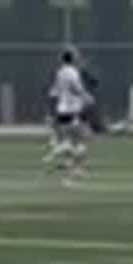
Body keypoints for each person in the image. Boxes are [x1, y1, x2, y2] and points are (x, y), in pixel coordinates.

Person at [45, 48, 92, 180]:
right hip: (73, 110)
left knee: (72, 142)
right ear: (72, 59)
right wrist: (86, 96)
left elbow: (55, 91)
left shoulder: (60, 72)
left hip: (62, 110)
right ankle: (69, 167)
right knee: (82, 139)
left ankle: (69, 165)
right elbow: (76, 88)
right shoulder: (73, 72)